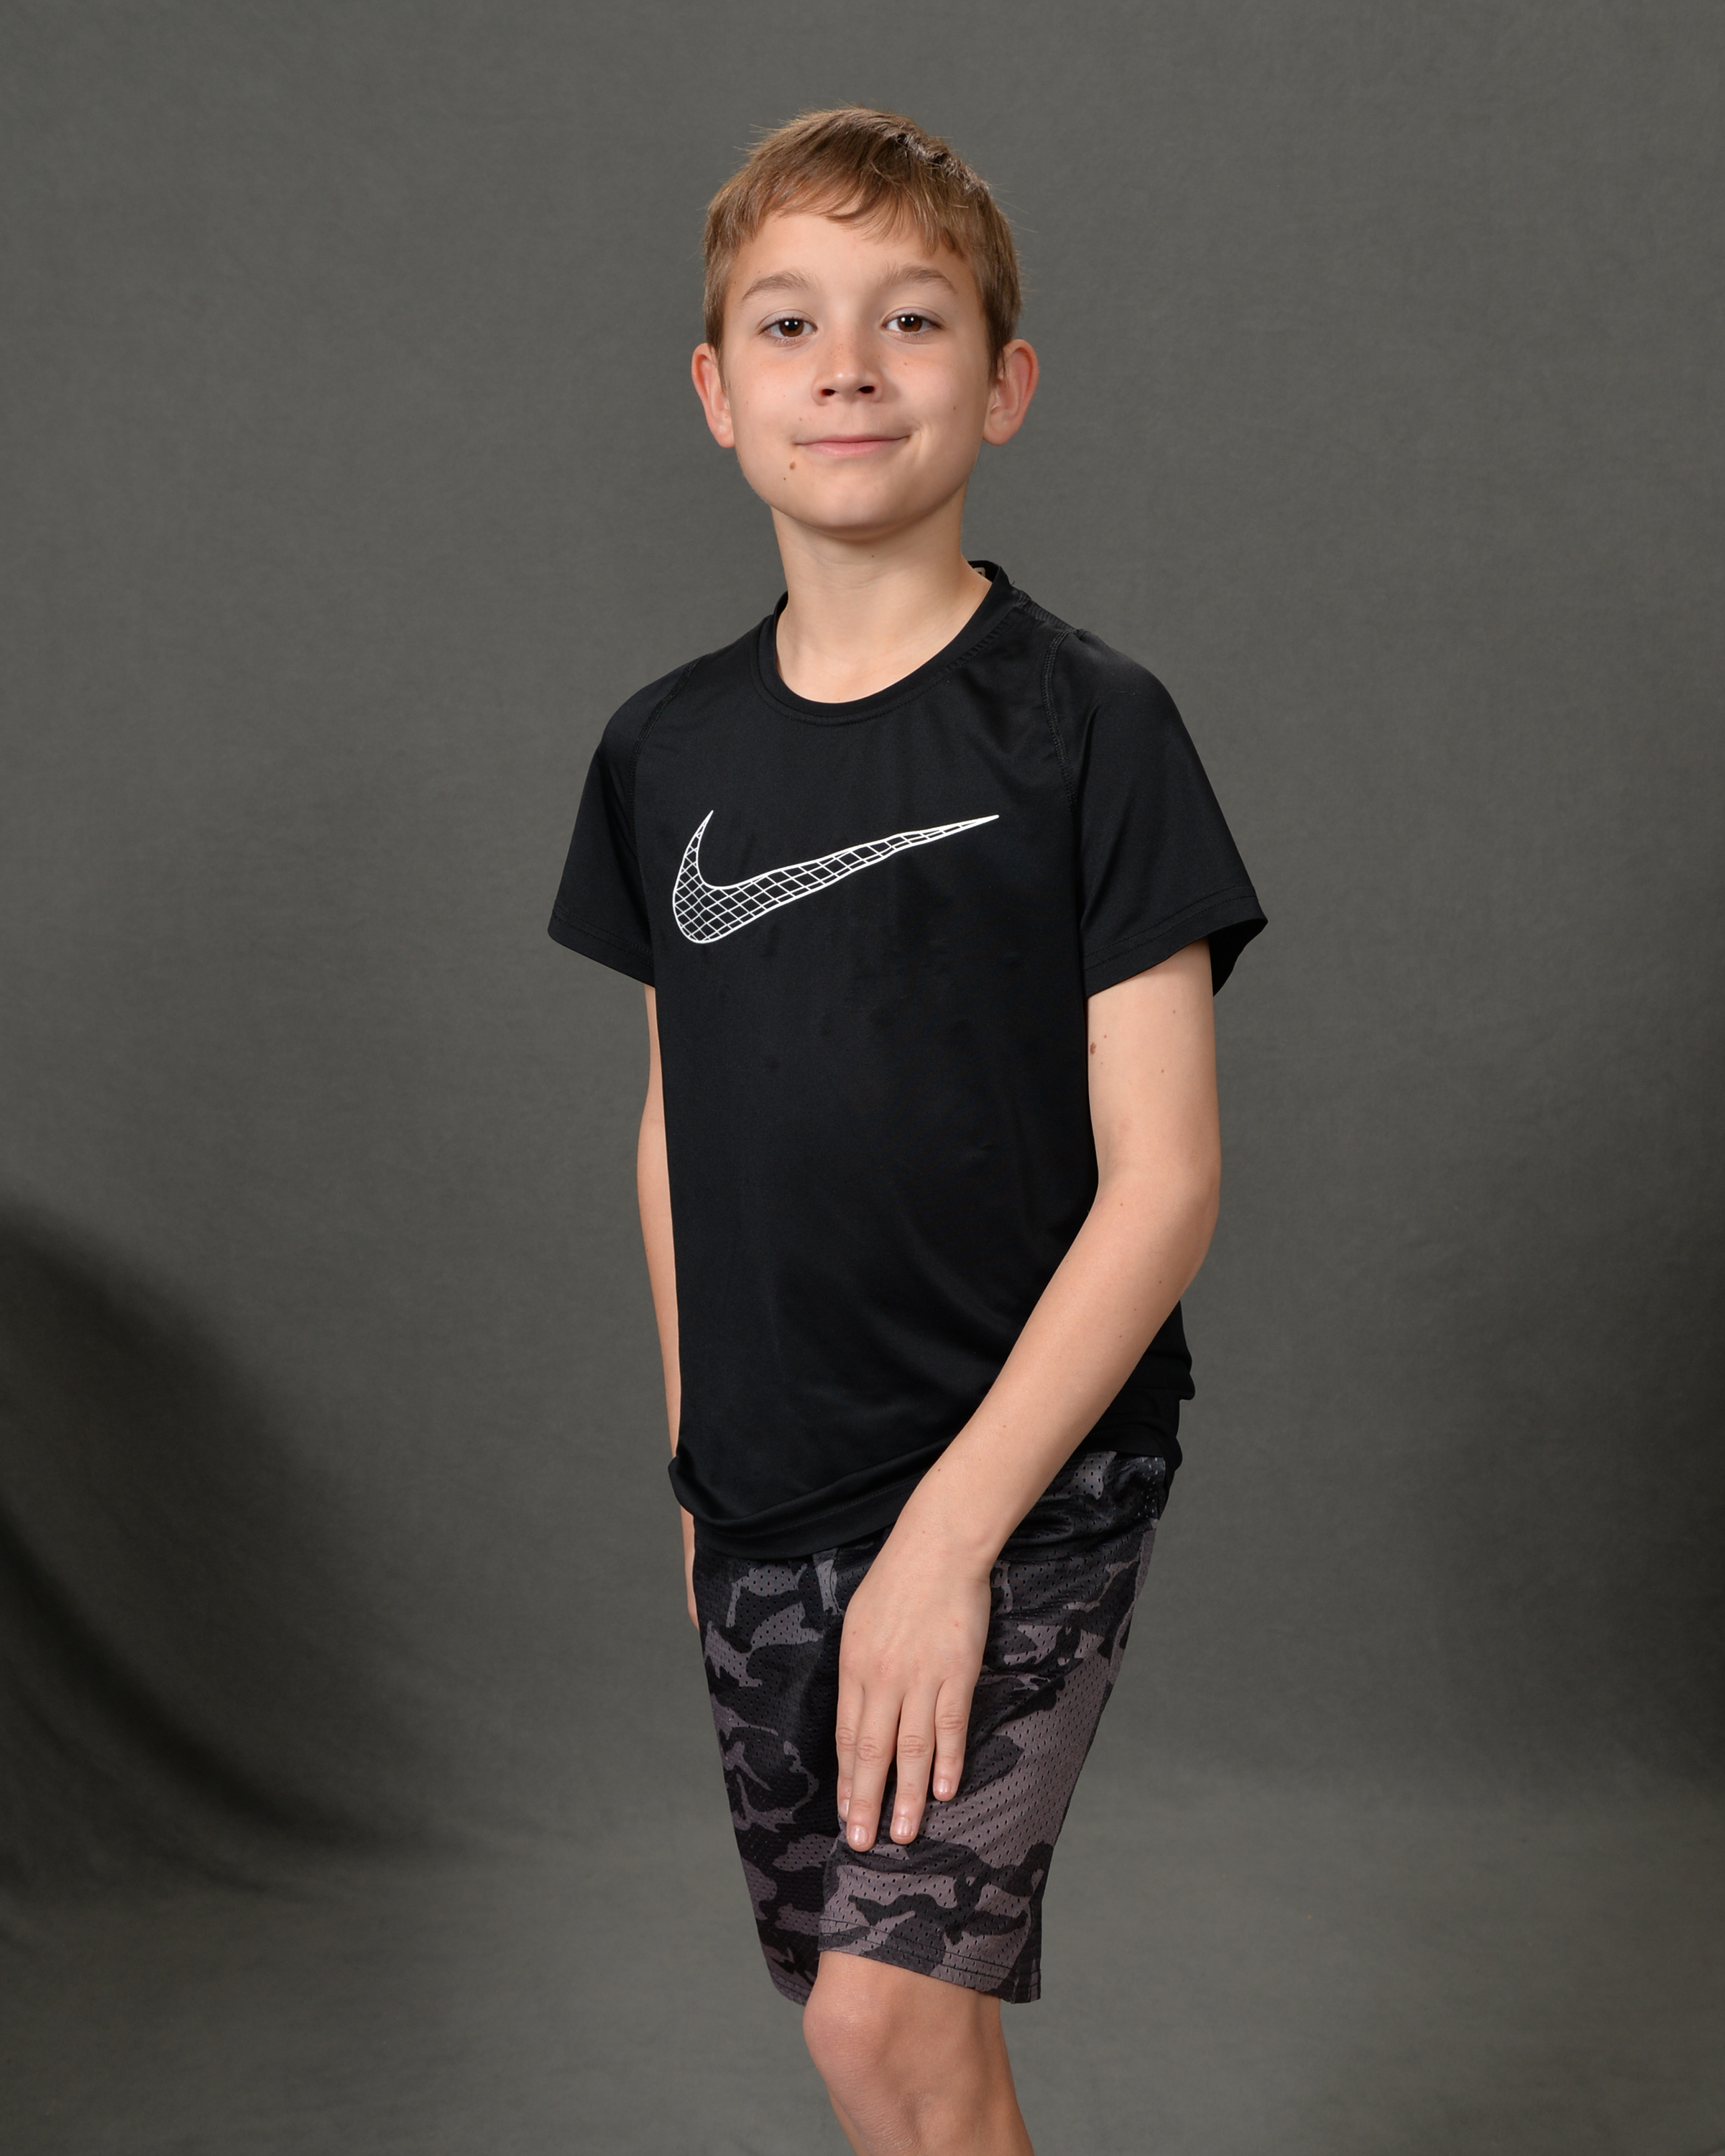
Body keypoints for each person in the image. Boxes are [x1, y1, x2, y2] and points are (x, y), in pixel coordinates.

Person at [549, 106, 1265, 2156]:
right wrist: (696, 1483)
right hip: (764, 1500)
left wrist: (950, 1544)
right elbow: (678, 1129)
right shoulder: (662, 751)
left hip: (1022, 1484)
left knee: (879, 2028)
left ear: (1004, 383)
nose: (847, 366)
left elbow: (1168, 1181)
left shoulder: (1091, 725)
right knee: (883, 2038)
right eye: (787, 323)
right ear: (716, 393)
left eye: (912, 318)